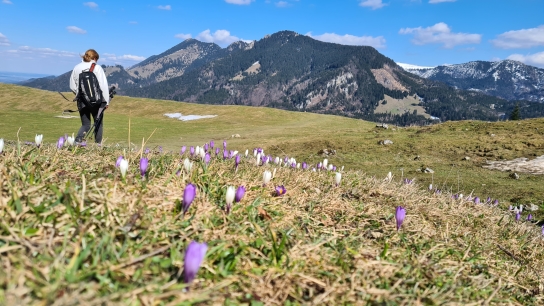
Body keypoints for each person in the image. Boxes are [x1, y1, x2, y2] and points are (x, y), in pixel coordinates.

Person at [70, 49, 110, 144]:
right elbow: (103, 85)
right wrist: (106, 102)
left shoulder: (77, 67)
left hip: (82, 101)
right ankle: (97, 146)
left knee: (86, 124)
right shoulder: (97, 67)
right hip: (96, 102)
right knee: (98, 124)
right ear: (95, 58)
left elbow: (72, 86)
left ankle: (77, 142)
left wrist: (80, 95)